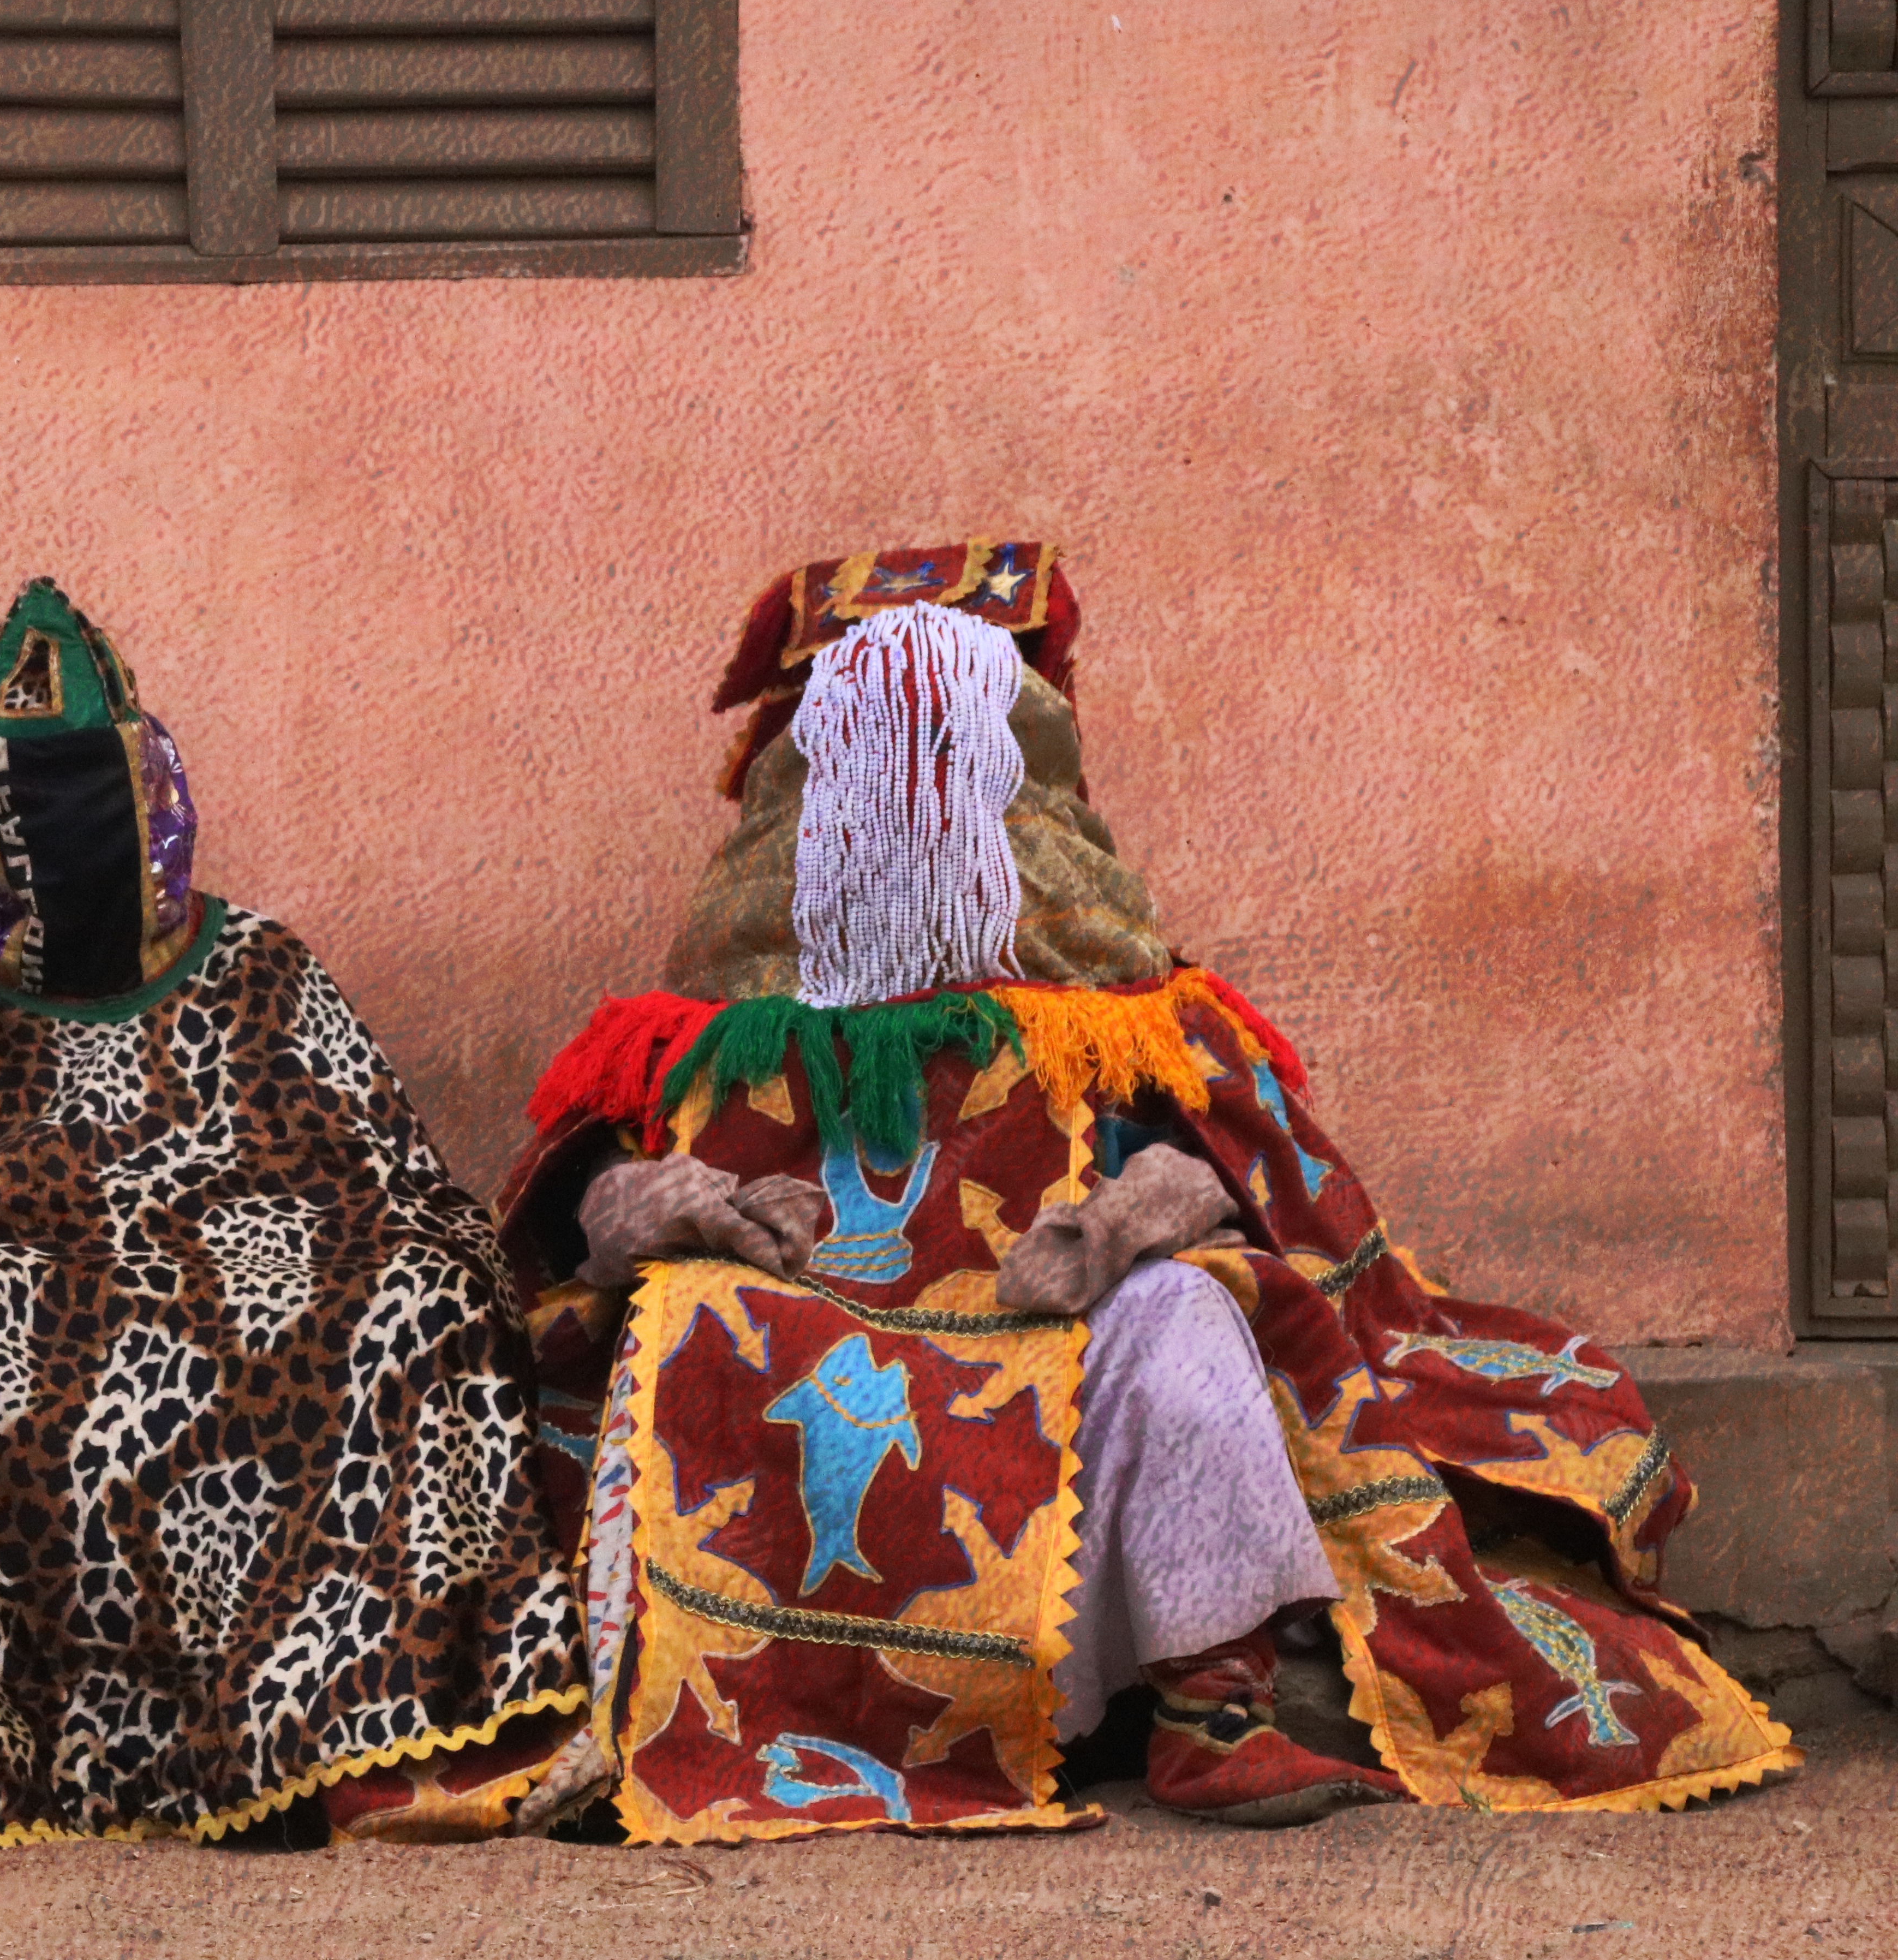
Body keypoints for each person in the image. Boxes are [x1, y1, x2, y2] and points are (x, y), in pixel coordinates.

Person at [499, 540, 1796, 1837]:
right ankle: (665, 1717)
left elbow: (1251, 1186)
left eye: (951, 761)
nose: (914, 799)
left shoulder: (1126, 1011)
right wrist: (668, 1208)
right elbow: (569, 1212)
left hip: (1057, 1371)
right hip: (810, 1369)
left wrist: (1130, 1217)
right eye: (874, 764)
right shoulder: (691, 1029)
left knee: (1186, 1313)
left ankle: (1212, 1703)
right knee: (679, 1328)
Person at [0, 578, 586, 1852]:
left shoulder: (263, 968)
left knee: (428, 1285)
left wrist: (215, 1245)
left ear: (155, 791)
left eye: (96, 797)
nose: (74, 842)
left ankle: (362, 1734)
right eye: (35, 806)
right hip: (3, 1324)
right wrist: (45, 1245)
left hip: (269, 1299)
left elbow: (392, 1182)